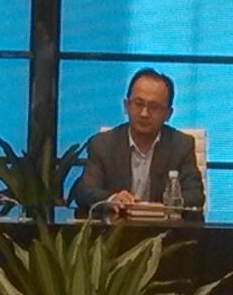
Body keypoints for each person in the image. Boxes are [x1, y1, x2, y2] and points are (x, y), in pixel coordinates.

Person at [70, 67, 205, 219]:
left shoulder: (181, 145)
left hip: (165, 229)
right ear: (126, 106)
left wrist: (162, 207)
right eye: (138, 104)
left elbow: (196, 196)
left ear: (168, 114)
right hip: (116, 230)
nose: (144, 113)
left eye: (154, 107)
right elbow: (84, 191)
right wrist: (111, 199)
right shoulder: (102, 144)